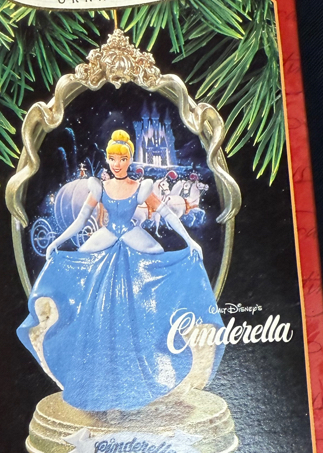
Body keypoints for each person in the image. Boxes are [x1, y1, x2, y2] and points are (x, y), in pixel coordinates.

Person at [17, 129, 223, 412]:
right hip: (106, 238)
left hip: (132, 237)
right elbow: (81, 220)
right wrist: (57, 241)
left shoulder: (141, 187)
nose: (117, 164)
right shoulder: (99, 188)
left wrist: (190, 241)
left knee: (158, 261)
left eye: (122, 159)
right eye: (112, 159)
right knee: (81, 266)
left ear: (129, 159)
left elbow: (166, 214)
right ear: (108, 159)